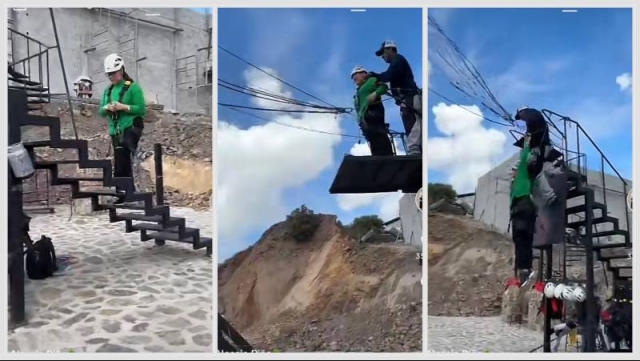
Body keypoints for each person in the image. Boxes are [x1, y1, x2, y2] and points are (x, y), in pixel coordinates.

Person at [98, 53, 146, 196]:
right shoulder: (108, 90)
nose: (111, 77)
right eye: (108, 74)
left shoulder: (133, 88)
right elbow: (101, 111)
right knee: (119, 158)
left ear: (121, 71)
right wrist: (107, 108)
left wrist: (123, 107)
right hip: (116, 130)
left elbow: (141, 109)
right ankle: (122, 191)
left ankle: (128, 191)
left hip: (131, 127)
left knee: (124, 154)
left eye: (113, 73)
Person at [368, 40, 422, 155]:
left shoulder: (398, 60)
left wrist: (376, 76)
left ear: (390, 49)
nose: (382, 56)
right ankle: (417, 148)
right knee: (412, 121)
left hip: (410, 97)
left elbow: (389, 75)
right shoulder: (396, 62)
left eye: (383, 53)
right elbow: (389, 76)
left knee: (412, 121)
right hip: (406, 98)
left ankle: (414, 150)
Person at [509, 133, 537, 285]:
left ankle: (525, 270)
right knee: (521, 241)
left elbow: (525, 155)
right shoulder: (514, 185)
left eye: (513, 170)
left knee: (524, 239)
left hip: (524, 205)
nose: (512, 173)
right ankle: (523, 271)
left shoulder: (523, 172)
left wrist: (527, 141)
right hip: (519, 209)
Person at [351, 66, 394, 156]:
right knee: (373, 140)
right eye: (353, 76)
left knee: (380, 135)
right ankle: (377, 157)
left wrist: (375, 93)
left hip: (374, 111)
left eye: (356, 74)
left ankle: (387, 156)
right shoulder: (358, 91)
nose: (354, 78)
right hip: (364, 119)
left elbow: (384, 87)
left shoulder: (372, 80)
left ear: (364, 74)